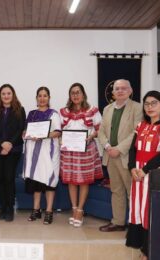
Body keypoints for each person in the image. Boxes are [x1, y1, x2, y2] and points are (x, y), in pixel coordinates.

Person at [126, 91, 160, 260]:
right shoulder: (140, 125)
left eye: (153, 103)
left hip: (156, 175)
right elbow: (133, 149)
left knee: (152, 211)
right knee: (139, 209)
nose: (149, 107)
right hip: (138, 174)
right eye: (146, 104)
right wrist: (132, 167)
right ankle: (141, 246)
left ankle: (149, 252)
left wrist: (145, 169)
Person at [98, 79, 143, 232]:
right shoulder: (107, 109)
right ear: (113, 92)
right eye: (117, 88)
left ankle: (134, 225)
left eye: (124, 88)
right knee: (116, 191)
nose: (120, 91)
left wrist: (119, 148)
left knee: (132, 192)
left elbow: (136, 132)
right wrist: (108, 147)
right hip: (110, 156)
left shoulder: (137, 108)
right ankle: (118, 222)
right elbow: (101, 131)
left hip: (126, 157)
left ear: (130, 91)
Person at [59, 83, 103, 227]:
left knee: (84, 181)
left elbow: (100, 129)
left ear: (83, 94)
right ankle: (73, 208)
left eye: (78, 92)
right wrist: (60, 139)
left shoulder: (93, 111)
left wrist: (92, 136)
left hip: (86, 151)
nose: (76, 95)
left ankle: (80, 210)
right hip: (69, 152)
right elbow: (59, 130)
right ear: (70, 96)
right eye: (73, 93)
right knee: (71, 180)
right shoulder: (63, 112)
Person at [0, 84, 26, 222]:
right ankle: (3, 208)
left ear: (13, 94)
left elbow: (21, 128)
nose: (6, 96)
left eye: (9, 93)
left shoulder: (20, 110)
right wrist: (1, 143)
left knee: (9, 178)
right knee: (0, 178)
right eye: (3, 94)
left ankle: (10, 209)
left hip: (13, 149)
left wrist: (9, 144)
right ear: (0, 95)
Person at [23, 87, 61, 225]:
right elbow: (26, 131)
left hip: (48, 152)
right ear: (36, 98)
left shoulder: (54, 114)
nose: (42, 98)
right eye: (40, 95)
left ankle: (49, 211)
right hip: (33, 152)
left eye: (45, 96)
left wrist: (42, 135)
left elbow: (57, 132)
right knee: (36, 182)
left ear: (49, 98)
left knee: (49, 181)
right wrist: (26, 134)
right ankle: (36, 209)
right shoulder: (31, 114)